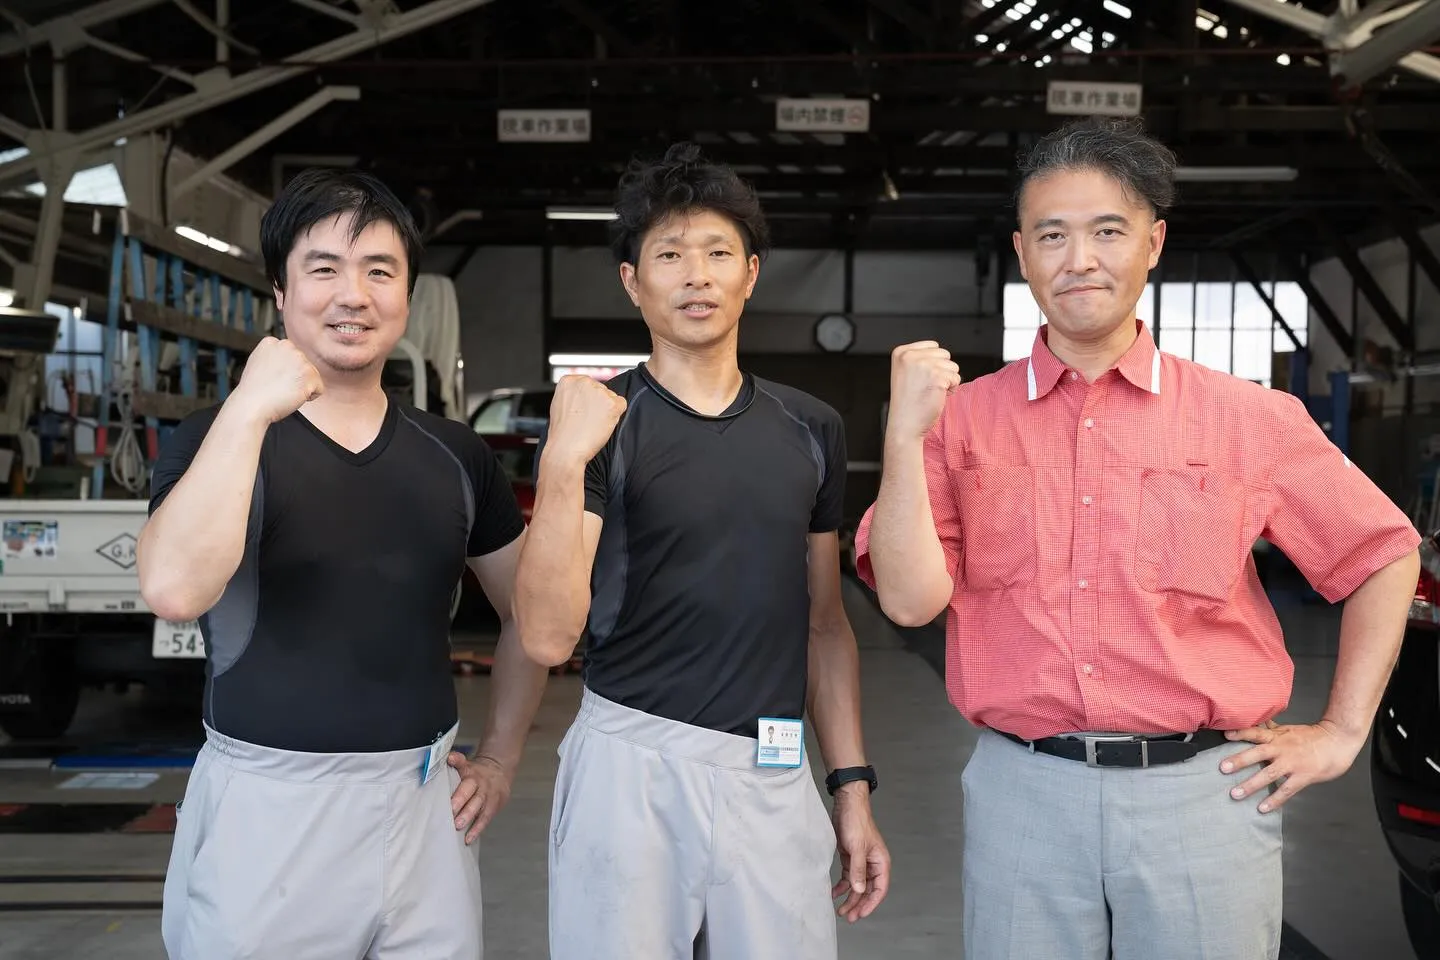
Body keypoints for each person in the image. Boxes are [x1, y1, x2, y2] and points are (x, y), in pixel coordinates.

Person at [856, 116, 1421, 960]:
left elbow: (1381, 553)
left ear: (1152, 244)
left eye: (1107, 231)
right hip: (1024, 790)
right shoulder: (959, 421)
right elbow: (906, 600)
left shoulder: (1249, 419)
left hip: (1202, 796)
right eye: (1052, 235)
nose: (1079, 259)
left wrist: (1341, 731)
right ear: (1021, 252)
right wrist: (903, 439)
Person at [137, 168, 549, 960]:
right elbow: (175, 589)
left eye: (379, 271)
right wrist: (251, 408)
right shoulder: (211, 439)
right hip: (269, 810)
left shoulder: (456, 455)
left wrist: (499, 754)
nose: (352, 295)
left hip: (425, 803)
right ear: (280, 295)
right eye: (323, 268)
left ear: (406, 296)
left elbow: (535, 617)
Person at [514, 141, 891, 960]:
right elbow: (545, 636)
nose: (697, 274)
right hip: (631, 766)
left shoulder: (811, 427)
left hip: (773, 771)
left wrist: (851, 788)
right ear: (632, 280)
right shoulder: (601, 424)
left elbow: (824, 625)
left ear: (751, 273)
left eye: (719, 252)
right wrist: (560, 460)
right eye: (670, 255)